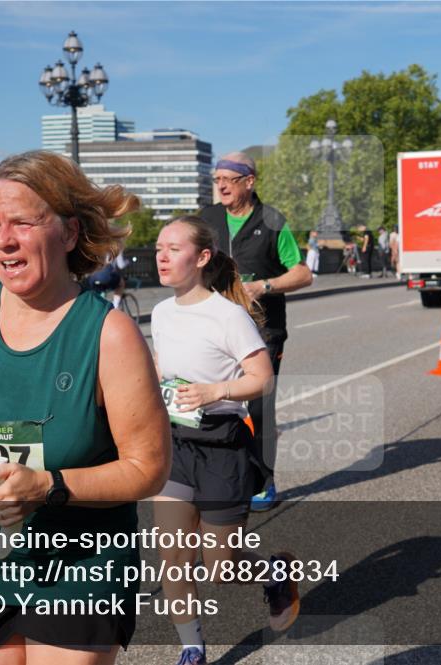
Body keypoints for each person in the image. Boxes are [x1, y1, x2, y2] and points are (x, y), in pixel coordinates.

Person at [0, 151, 171, 663]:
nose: (3, 239)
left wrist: (50, 487)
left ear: (69, 234)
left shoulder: (109, 334)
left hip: (80, 567)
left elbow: (150, 469)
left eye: (23, 223)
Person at [151, 216, 299, 665]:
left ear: (201, 258)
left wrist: (216, 391)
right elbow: (161, 369)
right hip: (175, 445)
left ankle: (273, 572)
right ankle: (192, 649)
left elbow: (262, 379)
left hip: (222, 446)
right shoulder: (160, 313)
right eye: (159, 247)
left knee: (221, 566)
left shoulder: (228, 315)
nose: (161, 255)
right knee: (172, 557)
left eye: (174, 249)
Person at [199, 152, 312, 512]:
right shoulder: (208, 218)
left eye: (228, 179)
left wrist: (263, 286)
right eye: (217, 179)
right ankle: (218, 476)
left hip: (264, 330)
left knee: (258, 407)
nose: (221, 186)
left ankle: (263, 481)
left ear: (249, 182)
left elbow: (302, 273)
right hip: (215, 328)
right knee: (214, 402)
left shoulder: (272, 220)